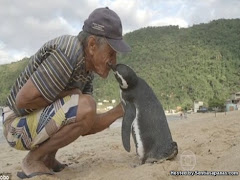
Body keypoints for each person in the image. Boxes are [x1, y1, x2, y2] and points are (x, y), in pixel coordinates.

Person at [2, 7, 131, 178]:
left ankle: (47, 158)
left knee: (83, 103)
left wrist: (119, 111)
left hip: (30, 122)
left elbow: (85, 123)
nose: (114, 61)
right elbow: (22, 101)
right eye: (111, 53)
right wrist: (70, 94)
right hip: (15, 125)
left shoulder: (86, 71)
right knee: (82, 101)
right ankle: (33, 159)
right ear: (92, 45)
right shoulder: (67, 51)